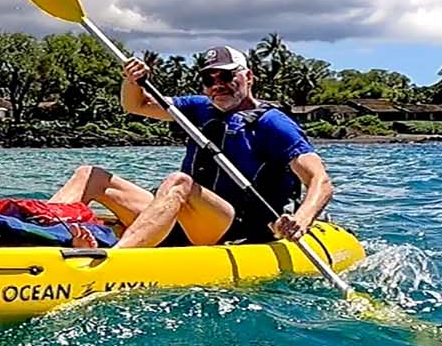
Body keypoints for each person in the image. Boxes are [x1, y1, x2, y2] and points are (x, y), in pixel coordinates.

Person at [52, 45, 332, 249]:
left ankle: (117, 260)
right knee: (90, 174)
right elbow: (135, 104)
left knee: (178, 182)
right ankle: (35, 234)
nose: (217, 85)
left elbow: (320, 179)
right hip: (186, 214)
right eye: (210, 79)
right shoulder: (198, 107)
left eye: (226, 76)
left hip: (231, 224)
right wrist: (131, 80)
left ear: (248, 76)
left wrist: (302, 219)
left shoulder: (273, 124)